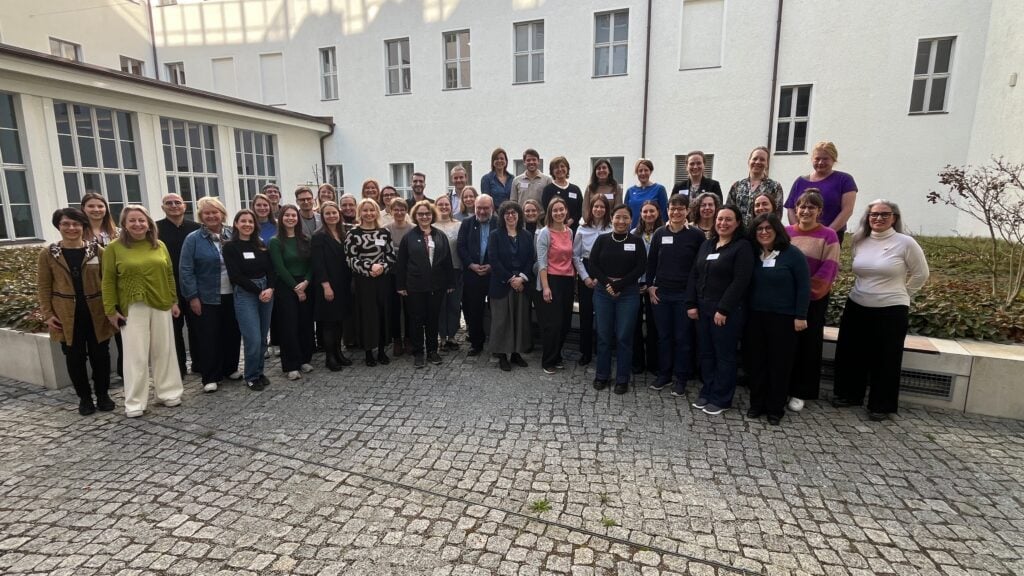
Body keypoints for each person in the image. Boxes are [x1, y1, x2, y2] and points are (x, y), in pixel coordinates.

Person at [833, 200, 929, 421]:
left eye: (885, 214)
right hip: (857, 303)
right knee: (851, 353)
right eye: (873, 214)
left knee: (886, 358)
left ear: (894, 217)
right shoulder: (859, 240)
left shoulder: (906, 243)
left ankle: (881, 405)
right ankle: (849, 395)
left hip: (891, 309)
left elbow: (921, 274)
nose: (878, 218)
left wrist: (903, 293)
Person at [101, 205, 183, 418]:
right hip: (132, 307)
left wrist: (173, 300)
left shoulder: (159, 245)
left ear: (148, 224)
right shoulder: (114, 248)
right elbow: (108, 281)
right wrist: (110, 310)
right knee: (135, 356)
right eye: (132, 221)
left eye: (141, 220)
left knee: (164, 350)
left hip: (161, 302)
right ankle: (135, 401)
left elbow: (169, 275)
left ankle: (167, 391)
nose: (137, 224)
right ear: (125, 225)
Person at [38, 208, 117, 415]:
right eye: (66, 224)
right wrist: (47, 314)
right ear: (59, 226)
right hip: (67, 315)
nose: (71, 228)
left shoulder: (97, 250)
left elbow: (109, 282)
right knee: (74, 357)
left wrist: (112, 308)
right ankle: (84, 398)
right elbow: (44, 286)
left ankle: (102, 394)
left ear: (83, 226)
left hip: (96, 312)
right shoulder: (49, 254)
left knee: (101, 356)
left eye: (76, 224)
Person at [686, 206, 754, 416]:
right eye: (720, 219)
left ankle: (722, 397)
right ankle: (708, 389)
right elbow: (694, 275)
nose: (723, 223)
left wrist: (724, 308)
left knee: (724, 355)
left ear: (737, 223)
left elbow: (741, 281)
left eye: (728, 219)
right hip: (702, 308)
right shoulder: (708, 244)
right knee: (706, 352)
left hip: (726, 311)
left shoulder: (742, 247)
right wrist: (691, 303)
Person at [744, 214, 810, 425]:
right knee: (756, 362)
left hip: (783, 319)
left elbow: (804, 287)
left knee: (779, 364)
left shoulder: (792, 255)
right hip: (755, 316)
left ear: (777, 230)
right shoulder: (753, 255)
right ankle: (757, 404)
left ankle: (775, 408)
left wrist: (801, 315)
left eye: (768, 228)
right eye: (759, 229)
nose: (763, 232)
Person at [179, 197, 242, 393]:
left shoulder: (233, 234)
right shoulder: (193, 239)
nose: (211, 216)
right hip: (206, 296)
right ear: (201, 216)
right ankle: (211, 376)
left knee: (232, 333)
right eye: (207, 213)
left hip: (234, 293)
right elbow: (186, 270)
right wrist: (192, 297)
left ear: (222, 214)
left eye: (215, 212)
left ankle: (230, 368)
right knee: (209, 336)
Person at [785, 190, 840, 412]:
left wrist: (806, 292)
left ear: (819, 211)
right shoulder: (786, 232)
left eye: (811, 207)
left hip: (812, 300)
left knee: (808, 346)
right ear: (796, 209)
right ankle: (784, 386)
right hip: (785, 299)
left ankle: (801, 392)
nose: (806, 211)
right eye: (802, 206)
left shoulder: (829, 236)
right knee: (787, 345)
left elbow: (829, 269)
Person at [646, 195, 705, 395]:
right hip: (661, 294)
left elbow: (699, 269)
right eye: (673, 208)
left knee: (683, 338)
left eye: (681, 208)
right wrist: (650, 286)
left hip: (684, 296)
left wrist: (692, 297)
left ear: (687, 211)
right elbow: (651, 262)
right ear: (667, 210)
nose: (676, 212)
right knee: (664, 337)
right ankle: (664, 374)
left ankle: (681, 377)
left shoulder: (696, 236)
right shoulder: (660, 233)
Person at [589, 205, 648, 394]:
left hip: (628, 293)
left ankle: (622, 378)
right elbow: (593, 264)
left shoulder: (637, 241)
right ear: (611, 218)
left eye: (625, 218)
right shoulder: (602, 239)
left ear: (631, 220)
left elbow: (640, 267)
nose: (621, 221)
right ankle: (602, 375)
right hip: (603, 292)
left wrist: (620, 285)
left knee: (624, 337)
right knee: (604, 336)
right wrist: (608, 284)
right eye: (617, 217)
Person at [222, 209, 276, 391]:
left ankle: (259, 372)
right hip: (246, 293)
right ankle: (251, 375)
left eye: (250, 222)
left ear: (255, 225)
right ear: (236, 224)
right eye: (243, 221)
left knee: (262, 337)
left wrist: (270, 288)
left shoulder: (259, 244)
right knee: (252, 337)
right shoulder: (230, 246)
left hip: (266, 291)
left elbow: (270, 268)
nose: (247, 225)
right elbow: (235, 276)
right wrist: (258, 290)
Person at [397, 201, 455, 368]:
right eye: (421, 214)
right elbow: (401, 263)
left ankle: (432, 350)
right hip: (415, 286)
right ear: (416, 216)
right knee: (416, 320)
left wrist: (450, 281)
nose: (424, 217)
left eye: (427, 214)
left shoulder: (440, 235)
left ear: (432, 215)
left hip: (437, 286)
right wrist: (401, 285)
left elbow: (447, 261)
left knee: (433, 319)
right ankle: (418, 352)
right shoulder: (409, 237)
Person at [345, 198, 396, 366]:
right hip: (363, 281)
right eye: (365, 210)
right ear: (360, 212)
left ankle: (382, 350)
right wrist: (369, 268)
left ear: (376, 212)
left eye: (372, 210)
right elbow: (350, 258)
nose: (369, 213)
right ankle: (368, 351)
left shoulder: (384, 232)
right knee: (367, 316)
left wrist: (381, 267)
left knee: (383, 314)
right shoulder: (353, 233)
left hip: (382, 280)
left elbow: (390, 255)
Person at [156, 193, 201, 379]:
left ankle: (199, 363)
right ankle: (179, 367)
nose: (174, 206)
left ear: (185, 206)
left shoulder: (197, 228)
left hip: (193, 285)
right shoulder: (156, 229)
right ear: (163, 207)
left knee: (197, 326)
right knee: (174, 329)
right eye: (169, 203)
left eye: (177, 203)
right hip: (169, 285)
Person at [269, 204, 315, 380]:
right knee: (289, 326)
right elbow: (279, 268)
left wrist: (306, 282)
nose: (290, 218)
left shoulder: (305, 239)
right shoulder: (275, 241)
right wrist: (296, 288)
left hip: (305, 282)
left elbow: (312, 263)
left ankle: (304, 359)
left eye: (293, 215)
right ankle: (291, 364)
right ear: (281, 218)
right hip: (286, 286)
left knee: (305, 323)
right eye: (287, 215)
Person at [488, 201, 536, 371]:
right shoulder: (495, 235)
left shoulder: (527, 235)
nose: (510, 216)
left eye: (514, 213)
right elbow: (494, 260)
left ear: (518, 215)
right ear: (502, 216)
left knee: (519, 319)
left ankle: (516, 353)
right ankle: (502, 354)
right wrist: (511, 278)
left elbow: (531, 258)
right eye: (507, 213)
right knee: (502, 321)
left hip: (521, 285)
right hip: (502, 284)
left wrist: (521, 278)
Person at [80, 192, 123, 383]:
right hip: (94, 293)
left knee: (124, 337)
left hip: (120, 290)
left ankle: (125, 373)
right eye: (91, 206)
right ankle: (101, 378)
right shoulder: (78, 233)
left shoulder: (118, 233)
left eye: (100, 206)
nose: (96, 210)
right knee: (101, 339)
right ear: (83, 209)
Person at [784, 141, 858, 241]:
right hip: (801, 237)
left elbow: (847, 210)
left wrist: (827, 233)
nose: (820, 162)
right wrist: (798, 231)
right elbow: (791, 208)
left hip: (830, 237)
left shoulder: (844, 180)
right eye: (817, 159)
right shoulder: (800, 181)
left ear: (833, 159)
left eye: (825, 159)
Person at [311, 201, 353, 372]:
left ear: (339, 214)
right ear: (323, 216)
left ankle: (338, 353)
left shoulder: (343, 233)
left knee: (339, 321)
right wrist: (326, 286)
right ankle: (330, 358)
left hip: (342, 284)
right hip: (327, 285)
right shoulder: (319, 236)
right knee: (329, 323)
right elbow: (318, 264)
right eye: (327, 213)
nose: (331, 216)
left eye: (334, 213)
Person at [535, 197, 575, 374]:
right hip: (551, 280)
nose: (559, 213)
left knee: (565, 322)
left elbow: (571, 258)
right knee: (553, 323)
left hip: (568, 280)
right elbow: (542, 262)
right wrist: (546, 287)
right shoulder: (545, 233)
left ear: (566, 211)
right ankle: (548, 360)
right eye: (555, 210)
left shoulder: (569, 232)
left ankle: (557, 355)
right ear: (550, 213)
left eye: (561, 209)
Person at [573, 195, 612, 366]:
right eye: (596, 206)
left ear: (607, 209)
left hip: (606, 271)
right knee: (586, 315)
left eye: (602, 207)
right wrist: (586, 277)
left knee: (604, 315)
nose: (598, 210)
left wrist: (601, 278)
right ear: (591, 208)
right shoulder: (582, 229)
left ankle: (603, 349)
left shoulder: (611, 228)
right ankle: (586, 352)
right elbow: (575, 255)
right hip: (586, 271)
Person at [457, 194, 496, 356]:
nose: (481, 211)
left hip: (494, 274)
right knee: (474, 310)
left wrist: (492, 266)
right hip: (472, 273)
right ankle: (476, 342)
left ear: (492, 208)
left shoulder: (499, 223)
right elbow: (461, 246)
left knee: (496, 310)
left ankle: (497, 343)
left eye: (485, 208)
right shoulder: (467, 223)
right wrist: (471, 265)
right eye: (478, 207)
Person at [631, 201, 663, 376]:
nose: (648, 214)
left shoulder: (664, 233)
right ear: (641, 214)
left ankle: (654, 362)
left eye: (652, 211)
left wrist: (652, 284)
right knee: (634, 326)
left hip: (655, 286)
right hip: (636, 286)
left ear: (658, 212)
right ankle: (637, 362)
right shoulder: (634, 234)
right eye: (645, 211)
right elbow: (629, 263)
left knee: (654, 325)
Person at [434, 195, 463, 350]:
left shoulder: (459, 225)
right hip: (437, 272)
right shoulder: (431, 225)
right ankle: (442, 337)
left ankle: (452, 336)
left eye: (446, 204)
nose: (444, 207)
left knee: (454, 304)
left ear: (451, 207)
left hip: (456, 269)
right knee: (440, 305)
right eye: (440, 204)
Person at [727, 146, 784, 225]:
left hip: (762, 233)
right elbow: (729, 212)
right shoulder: (737, 186)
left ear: (767, 164)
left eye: (762, 159)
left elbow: (777, 215)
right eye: (755, 158)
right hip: (739, 234)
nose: (757, 162)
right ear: (749, 161)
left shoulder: (775, 187)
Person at [385, 198, 414, 355]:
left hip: (409, 274)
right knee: (394, 309)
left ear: (406, 211)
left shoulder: (413, 229)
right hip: (391, 274)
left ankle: (409, 339)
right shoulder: (385, 230)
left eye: (402, 209)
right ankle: (397, 339)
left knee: (409, 308)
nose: (399, 212)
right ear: (390, 211)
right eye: (396, 209)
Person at [540, 156, 583, 229]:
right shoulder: (548, 190)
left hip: (573, 229)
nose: (560, 169)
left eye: (562, 166)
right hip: (554, 229)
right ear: (552, 171)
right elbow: (547, 210)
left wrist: (571, 220)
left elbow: (581, 209)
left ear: (567, 169)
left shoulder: (575, 189)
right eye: (556, 167)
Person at [624, 159, 667, 229]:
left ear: (651, 171)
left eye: (646, 170)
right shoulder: (630, 191)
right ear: (636, 173)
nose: (643, 173)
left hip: (654, 231)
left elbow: (664, 213)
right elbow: (625, 213)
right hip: (633, 231)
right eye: (640, 171)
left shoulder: (659, 189)